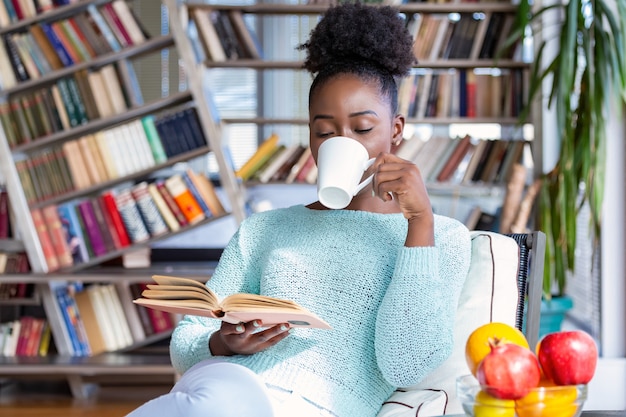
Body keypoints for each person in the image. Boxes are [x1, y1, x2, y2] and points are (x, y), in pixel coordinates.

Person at [126, 2, 471, 417]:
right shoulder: (265, 229)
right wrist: (223, 342)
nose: (343, 143)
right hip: (226, 387)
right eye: (324, 131)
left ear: (395, 131)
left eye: (362, 129)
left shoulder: (440, 236)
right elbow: (185, 345)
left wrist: (419, 224)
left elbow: (406, 364)